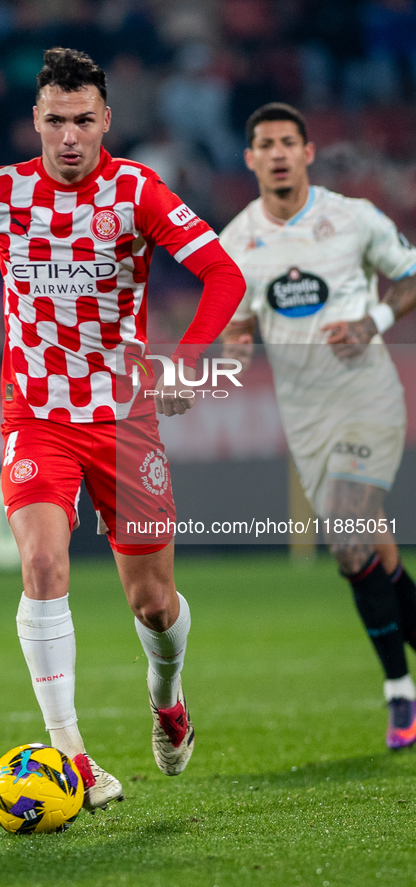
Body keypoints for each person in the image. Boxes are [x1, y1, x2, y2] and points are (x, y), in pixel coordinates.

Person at [0, 48, 245, 809]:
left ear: (106, 119)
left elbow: (223, 274)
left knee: (153, 602)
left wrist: (186, 361)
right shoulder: (0, 192)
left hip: (124, 421)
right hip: (37, 417)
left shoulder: (136, 193)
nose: (70, 136)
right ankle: (73, 756)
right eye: (56, 120)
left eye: (84, 120)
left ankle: (168, 697)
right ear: (37, 121)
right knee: (43, 564)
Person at [220, 101, 416, 750]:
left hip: (367, 398)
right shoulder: (235, 241)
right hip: (304, 419)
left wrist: (373, 323)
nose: (276, 152)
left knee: (347, 535)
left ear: (307, 152)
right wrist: (235, 343)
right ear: (249, 158)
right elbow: (237, 320)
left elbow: (410, 275)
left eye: (287, 142)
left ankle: (397, 692)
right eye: (264, 144)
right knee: (373, 554)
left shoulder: (351, 219)